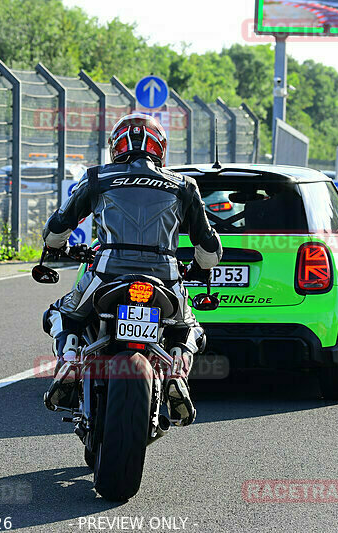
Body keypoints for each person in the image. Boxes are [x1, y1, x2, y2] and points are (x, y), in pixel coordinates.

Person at [40, 113, 223, 426]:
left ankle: (70, 360)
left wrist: (55, 248)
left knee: (61, 314)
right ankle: (177, 372)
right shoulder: (183, 185)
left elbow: (57, 227)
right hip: (166, 277)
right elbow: (209, 249)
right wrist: (198, 269)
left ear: (116, 147)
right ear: (161, 148)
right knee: (189, 329)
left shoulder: (97, 177)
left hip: (106, 273)